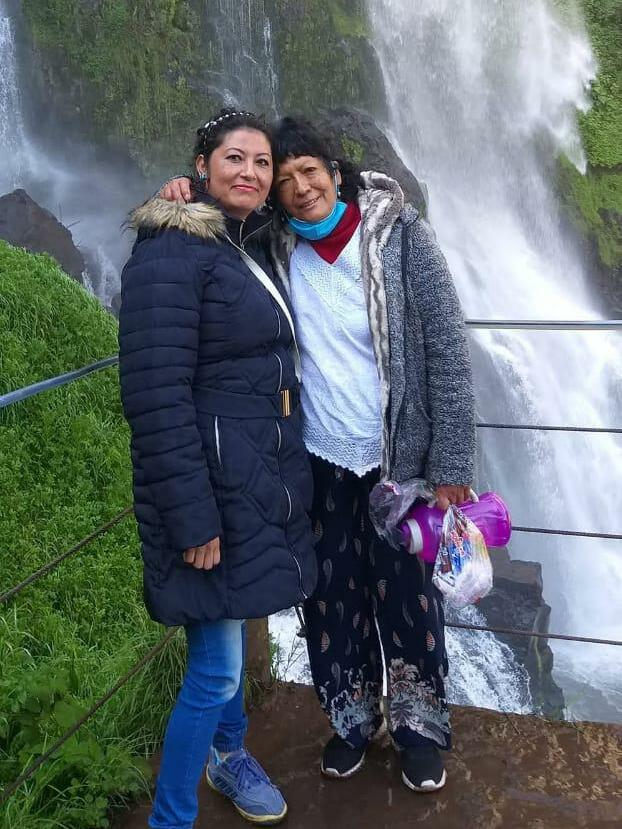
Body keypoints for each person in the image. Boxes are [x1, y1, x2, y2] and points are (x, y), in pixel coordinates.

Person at [160, 115, 475, 794]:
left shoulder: (400, 238)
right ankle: (352, 720)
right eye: (287, 177)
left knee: (410, 599)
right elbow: (219, 212)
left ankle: (419, 730)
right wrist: (182, 189)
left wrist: (451, 465)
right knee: (332, 598)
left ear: (336, 174)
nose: (301, 187)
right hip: (317, 464)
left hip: (398, 465)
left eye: (311, 171)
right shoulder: (272, 248)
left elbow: (447, 350)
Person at [119, 109, 317, 829]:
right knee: (216, 666)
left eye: (263, 163)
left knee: (229, 620)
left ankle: (229, 755)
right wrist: (192, 517)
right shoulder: (172, 248)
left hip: (248, 478)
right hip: (204, 489)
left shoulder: (243, 240)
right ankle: (171, 817)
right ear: (201, 165)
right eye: (235, 158)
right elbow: (155, 394)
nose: (252, 173)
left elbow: (329, 203)